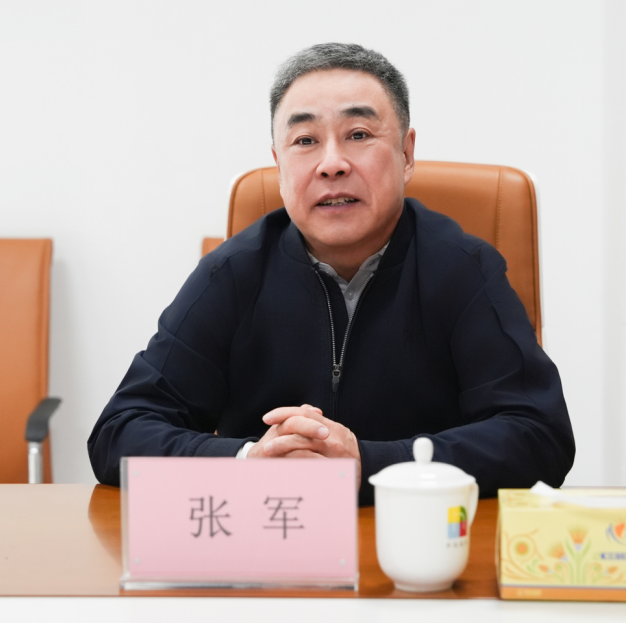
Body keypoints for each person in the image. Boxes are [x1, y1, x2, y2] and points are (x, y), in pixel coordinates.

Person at [88, 43, 574, 505]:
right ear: (279, 165)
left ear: (406, 154)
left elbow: (539, 436)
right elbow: (119, 431)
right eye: (305, 141)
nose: (332, 164)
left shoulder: (463, 269)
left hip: (418, 540)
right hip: (272, 542)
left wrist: (368, 464)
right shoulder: (232, 274)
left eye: (358, 135)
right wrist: (249, 460)